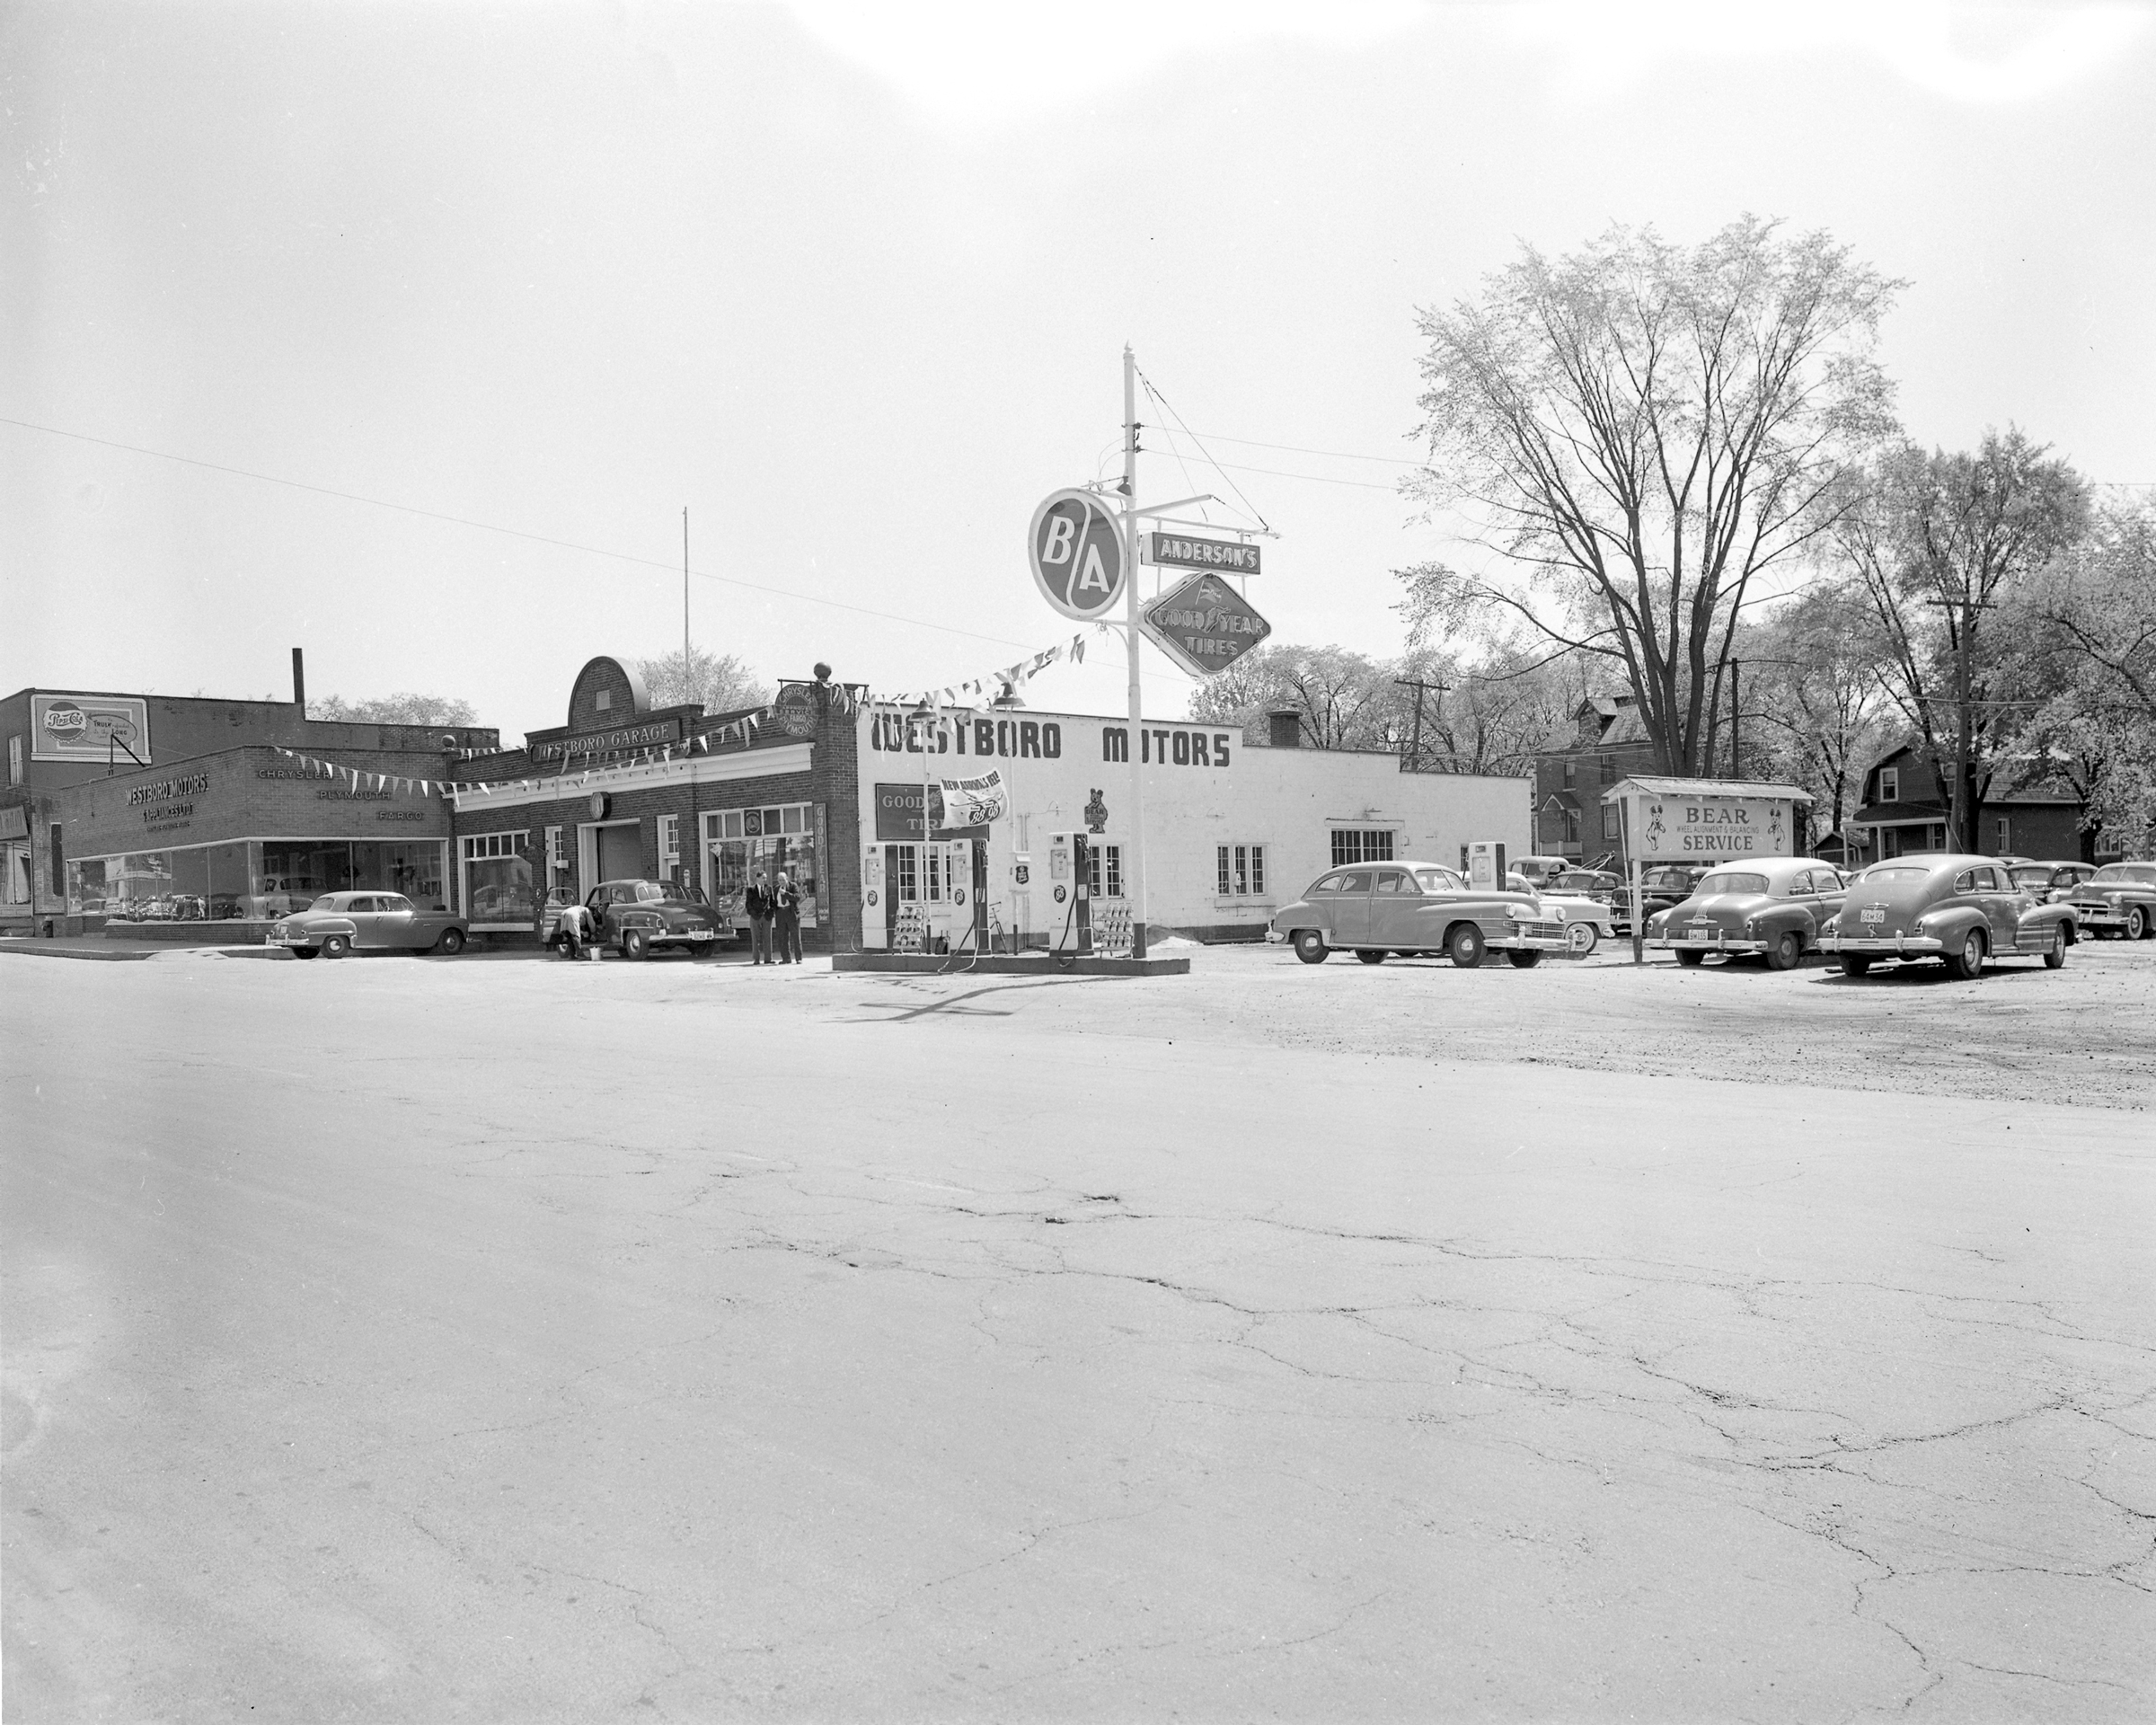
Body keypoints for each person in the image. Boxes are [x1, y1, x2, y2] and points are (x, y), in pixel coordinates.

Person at [774, 871, 803, 964]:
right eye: (779, 880)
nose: (781, 882)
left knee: (795, 936)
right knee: (783, 937)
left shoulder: (793, 886)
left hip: (791, 913)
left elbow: (797, 897)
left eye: (783, 880)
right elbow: (773, 901)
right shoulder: (776, 889)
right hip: (780, 913)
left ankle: (798, 958)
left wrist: (785, 893)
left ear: (787, 879)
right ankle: (786, 958)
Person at [746, 871, 774, 965]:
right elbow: (748, 904)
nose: (764, 880)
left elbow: (773, 902)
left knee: (767, 937)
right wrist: (753, 913)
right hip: (755, 916)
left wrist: (771, 912)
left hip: (766, 916)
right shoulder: (751, 890)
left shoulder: (768, 888)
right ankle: (756, 959)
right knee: (755, 938)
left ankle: (768, 959)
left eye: (765, 878)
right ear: (757, 878)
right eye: (763, 878)